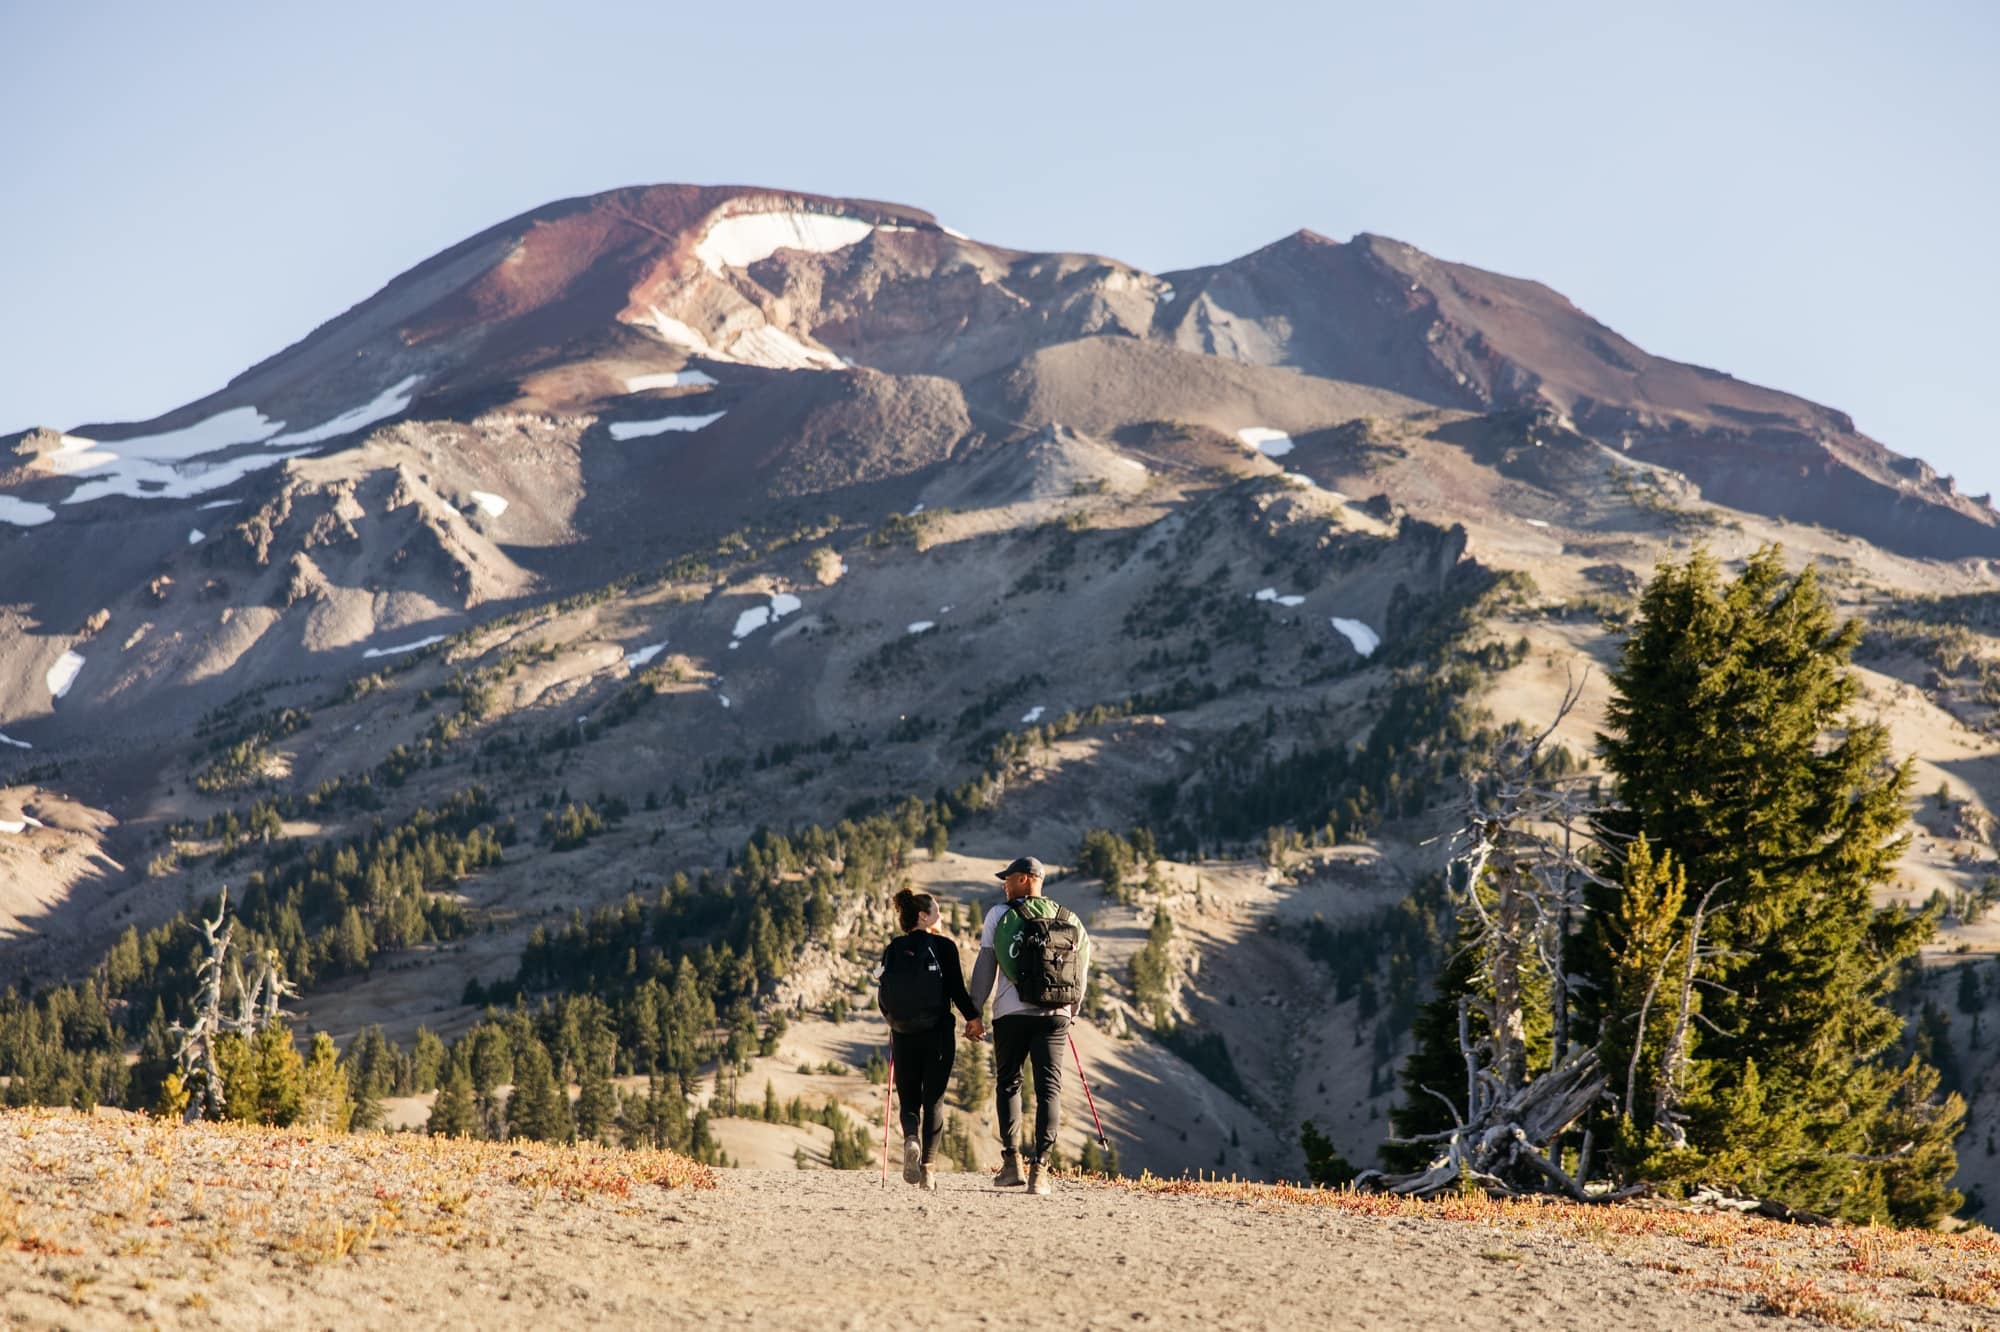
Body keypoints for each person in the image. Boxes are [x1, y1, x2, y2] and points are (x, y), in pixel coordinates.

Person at [969, 855, 1090, 1197]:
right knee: (1049, 1088)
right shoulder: (1069, 918)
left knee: (1010, 1083)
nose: (1004, 884)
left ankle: (1012, 1165)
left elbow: (985, 966)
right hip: (1056, 1015)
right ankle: (1041, 1172)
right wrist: (1071, 1010)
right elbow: (1081, 970)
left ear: (1024, 879)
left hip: (1011, 1013)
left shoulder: (999, 914)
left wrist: (973, 1012)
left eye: (1007, 879)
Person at [877, 888, 983, 1190]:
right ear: (923, 917)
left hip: (903, 1034)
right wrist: (973, 1019)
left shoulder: (893, 948)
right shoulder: (944, 947)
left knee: (908, 1098)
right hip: (937, 1034)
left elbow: (883, 995)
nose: (941, 915)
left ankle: (911, 1137)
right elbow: (956, 991)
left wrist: (893, 1022)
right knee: (933, 1099)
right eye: (936, 910)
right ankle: (928, 1169)